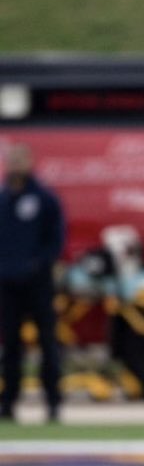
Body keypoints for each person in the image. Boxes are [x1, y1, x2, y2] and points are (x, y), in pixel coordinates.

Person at [0, 143, 66, 422]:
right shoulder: (3, 199)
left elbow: (56, 239)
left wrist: (38, 265)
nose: (16, 166)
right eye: (12, 160)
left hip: (37, 283)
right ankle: (8, 403)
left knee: (47, 343)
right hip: (7, 283)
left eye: (20, 160)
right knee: (11, 346)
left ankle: (52, 403)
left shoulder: (44, 199)